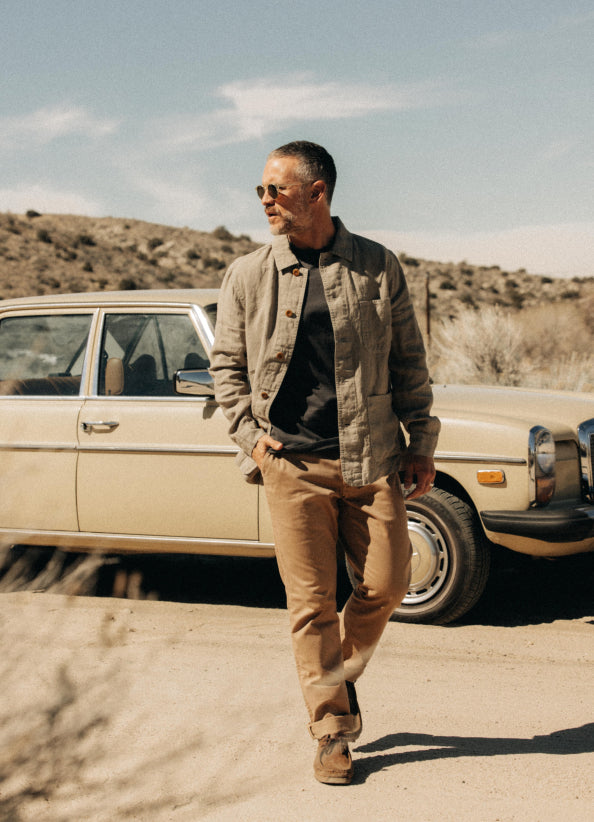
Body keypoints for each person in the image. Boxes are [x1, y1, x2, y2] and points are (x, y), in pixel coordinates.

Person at [210, 140, 440, 785]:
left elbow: (408, 363)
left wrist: (421, 441)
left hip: (370, 458)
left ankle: (334, 679)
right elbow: (225, 370)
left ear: (317, 192)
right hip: (290, 463)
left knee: (388, 586)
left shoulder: (376, 266)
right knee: (311, 605)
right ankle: (332, 729)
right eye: (261, 191)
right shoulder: (247, 274)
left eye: (275, 191)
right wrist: (251, 439)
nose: (264, 202)